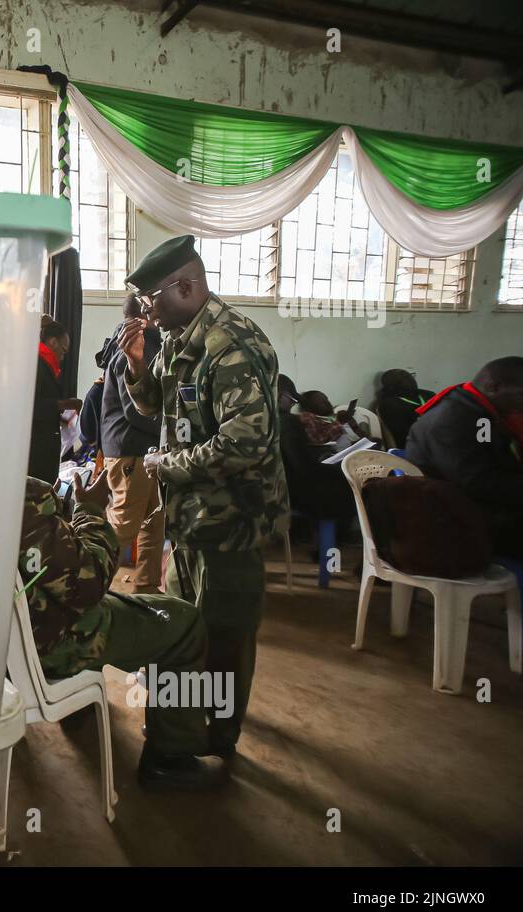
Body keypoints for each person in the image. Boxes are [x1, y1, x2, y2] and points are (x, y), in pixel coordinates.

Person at [117, 235, 289, 760]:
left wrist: (164, 464)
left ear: (185, 286)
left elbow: (246, 442)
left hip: (232, 520)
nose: (148, 312)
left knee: (225, 636)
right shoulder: (179, 337)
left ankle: (216, 737)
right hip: (191, 518)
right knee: (185, 629)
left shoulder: (230, 346)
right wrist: (136, 362)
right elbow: (153, 408)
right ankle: (183, 729)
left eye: (152, 301)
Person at [19, 470, 227, 790]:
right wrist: (89, 510)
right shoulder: (14, 499)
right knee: (184, 622)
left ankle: (77, 708)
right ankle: (170, 759)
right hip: (48, 644)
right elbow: (89, 583)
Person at [405, 356, 523, 562]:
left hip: (471, 508)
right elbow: (475, 483)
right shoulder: (454, 418)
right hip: (454, 521)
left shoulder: (475, 409)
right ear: (493, 386)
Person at [92, 298, 164, 592]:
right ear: (145, 316)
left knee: (154, 524)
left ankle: (146, 588)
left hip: (143, 451)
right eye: (155, 309)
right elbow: (136, 410)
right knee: (122, 527)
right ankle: (90, 590)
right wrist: (166, 431)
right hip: (131, 450)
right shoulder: (131, 350)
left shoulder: (143, 345)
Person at [278, 375, 357, 537]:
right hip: (293, 491)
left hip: (273, 488)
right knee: (351, 485)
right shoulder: (287, 422)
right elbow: (302, 467)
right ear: (281, 395)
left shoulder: (258, 421)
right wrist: (338, 470)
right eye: (292, 400)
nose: (292, 405)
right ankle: (332, 544)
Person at [28, 319, 82, 483]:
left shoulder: (44, 366)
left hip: (42, 454)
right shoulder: (36, 364)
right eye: (63, 351)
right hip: (36, 456)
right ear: (52, 342)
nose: (63, 357)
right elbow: (31, 406)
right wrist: (63, 405)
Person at [377, 368, 435, 448]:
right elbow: (404, 436)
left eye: (410, 376)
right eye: (405, 379)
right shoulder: (390, 406)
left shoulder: (428, 394)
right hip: (419, 446)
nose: (411, 380)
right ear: (392, 387)